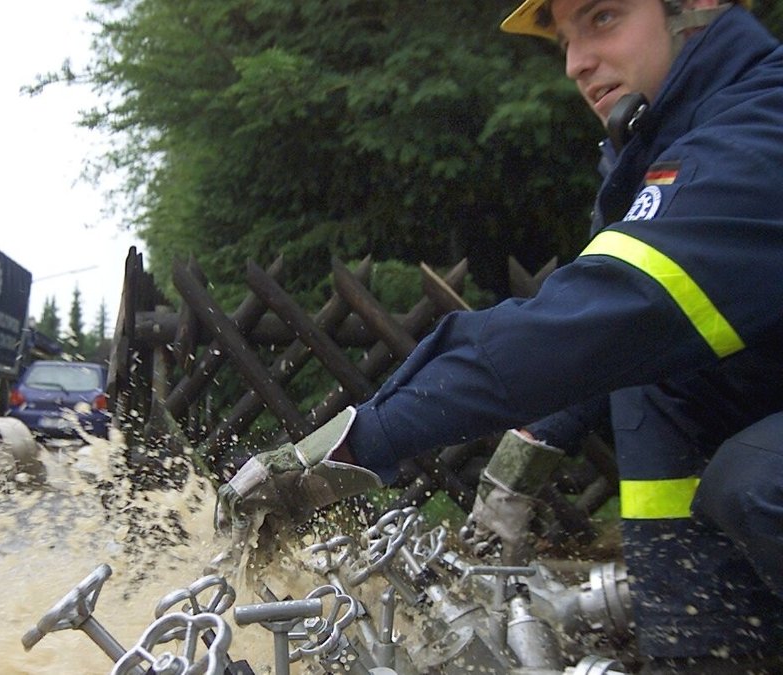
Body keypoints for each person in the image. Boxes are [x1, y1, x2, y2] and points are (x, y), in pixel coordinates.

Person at [215, 0, 783, 672]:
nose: (576, 62)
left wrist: (354, 442)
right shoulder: (660, 150)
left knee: (756, 480)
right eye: (565, 41)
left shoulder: (760, 130)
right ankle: (697, 649)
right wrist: (524, 457)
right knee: (653, 387)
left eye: (602, 18)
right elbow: (626, 342)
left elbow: (611, 316)